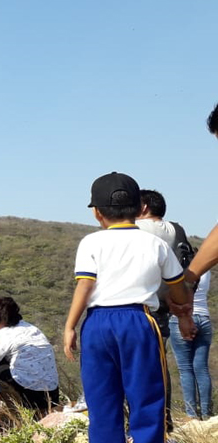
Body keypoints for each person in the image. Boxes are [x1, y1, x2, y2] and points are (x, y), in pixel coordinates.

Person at [63, 172, 194, 443]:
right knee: (146, 396)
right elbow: (177, 285)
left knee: (101, 400)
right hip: (139, 320)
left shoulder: (90, 242)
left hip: (97, 323)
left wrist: (70, 326)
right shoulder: (156, 244)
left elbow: (84, 286)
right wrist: (182, 309)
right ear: (138, 208)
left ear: (97, 213)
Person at [136, 188, 192, 429]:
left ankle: (134, 420)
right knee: (159, 365)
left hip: (137, 307)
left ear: (144, 207)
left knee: (132, 366)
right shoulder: (176, 230)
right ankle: (164, 420)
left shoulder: (134, 229)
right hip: (165, 308)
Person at [0, 297, 59, 414]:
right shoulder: (32, 329)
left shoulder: (5, 334)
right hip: (52, 392)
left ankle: (4, 412)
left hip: (29, 394)